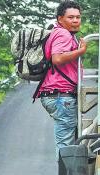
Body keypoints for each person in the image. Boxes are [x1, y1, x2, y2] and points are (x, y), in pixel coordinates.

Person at [36, 1, 88, 156]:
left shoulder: (58, 33)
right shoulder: (63, 34)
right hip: (61, 95)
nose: (75, 20)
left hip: (57, 95)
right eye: (70, 17)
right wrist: (81, 51)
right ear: (60, 19)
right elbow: (57, 58)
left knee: (69, 141)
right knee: (66, 146)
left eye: (78, 17)